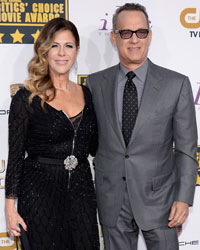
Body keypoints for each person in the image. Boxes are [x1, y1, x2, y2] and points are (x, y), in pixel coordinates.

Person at [87, 3, 198, 250]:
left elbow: (186, 149)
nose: (134, 39)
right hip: (112, 199)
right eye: (126, 32)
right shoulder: (95, 84)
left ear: (150, 35)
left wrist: (183, 198)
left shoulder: (176, 84)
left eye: (141, 32)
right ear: (114, 38)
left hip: (161, 202)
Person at [5, 17, 100, 250]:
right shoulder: (26, 98)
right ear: (44, 51)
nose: (61, 53)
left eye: (68, 46)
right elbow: (15, 157)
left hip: (81, 192)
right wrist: (9, 208)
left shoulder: (87, 94)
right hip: (39, 196)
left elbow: (96, 146)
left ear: (77, 50)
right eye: (54, 46)